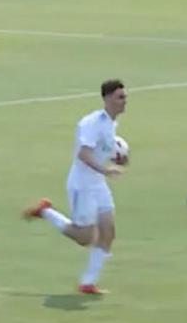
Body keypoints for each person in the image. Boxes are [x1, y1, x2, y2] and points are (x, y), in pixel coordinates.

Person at [22, 80, 129, 295]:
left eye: (125, 97)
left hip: (97, 183)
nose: (124, 101)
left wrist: (118, 160)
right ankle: (45, 211)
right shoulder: (92, 123)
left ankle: (88, 283)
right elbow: (84, 153)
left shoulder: (111, 124)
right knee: (85, 238)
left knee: (108, 231)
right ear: (107, 98)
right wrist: (106, 170)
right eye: (120, 97)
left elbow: (102, 150)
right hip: (82, 185)